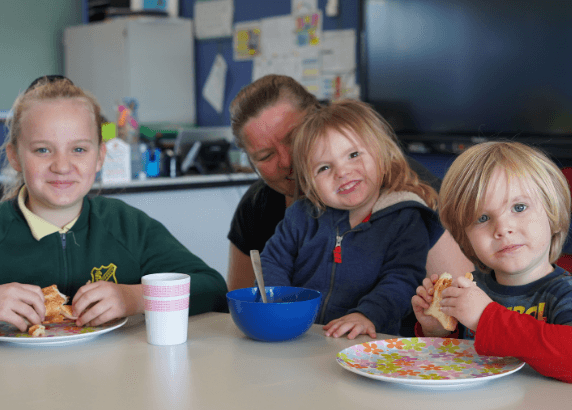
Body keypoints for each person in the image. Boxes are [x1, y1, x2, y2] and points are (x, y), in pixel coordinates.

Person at [0, 76, 228, 333]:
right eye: (42, 150)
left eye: (79, 150)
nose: (62, 166)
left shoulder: (127, 225)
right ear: (15, 157)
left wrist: (135, 298)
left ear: (100, 157)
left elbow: (213, 288)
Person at [227, 75, 473, 293]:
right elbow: (241, 305)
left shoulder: (413, 193)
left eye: (293, 138)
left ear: (320, 118)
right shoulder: (256, 207)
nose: (287, 160)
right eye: (265, 156)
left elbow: (458, 311)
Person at [260, 99, 444, 339]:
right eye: (324, 168)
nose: (342, 172)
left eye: (353, 155)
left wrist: (367, 315)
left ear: (381, 154)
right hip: (303, 339)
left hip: (368, 342)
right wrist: (278, 301)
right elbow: (272, 261)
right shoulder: (301, 215)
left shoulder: (405, 217)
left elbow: (402, 280)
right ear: (309, 183)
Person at [412, 141, 572, 383]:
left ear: (553, 212)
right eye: (482, 218)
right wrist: (440, 331)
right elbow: (454, 365)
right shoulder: (471, 287)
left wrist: (485, 318)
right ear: (464, 237)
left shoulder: (564, 293)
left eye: (519, 207)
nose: (502, 228)